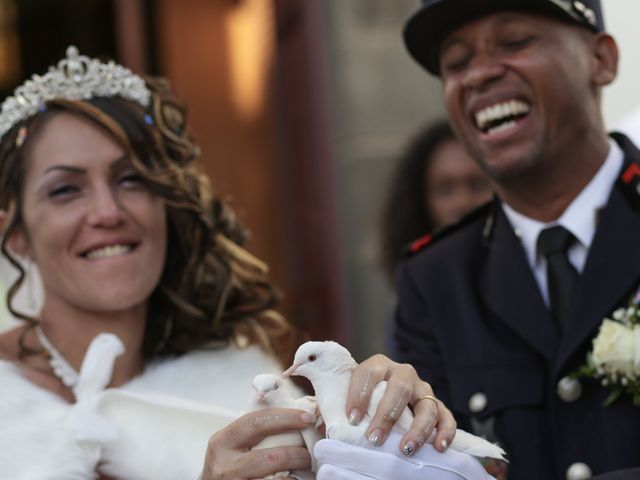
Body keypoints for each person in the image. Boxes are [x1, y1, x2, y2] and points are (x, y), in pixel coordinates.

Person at [0, 46, 453, 479]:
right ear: (14, 232)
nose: (107, 212)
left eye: (132, 179)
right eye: (65, 189)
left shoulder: (241, 386)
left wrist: (389, 431)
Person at [391, 0, 640, 479]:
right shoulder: (434, 280)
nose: (478, 75)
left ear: (601, 59)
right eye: (456, 63)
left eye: (514, 42)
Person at [380, 119, 492, 284]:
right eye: (446, 190)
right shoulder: (416, 294)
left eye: (477, 185)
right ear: (421, 201)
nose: (462, 202)